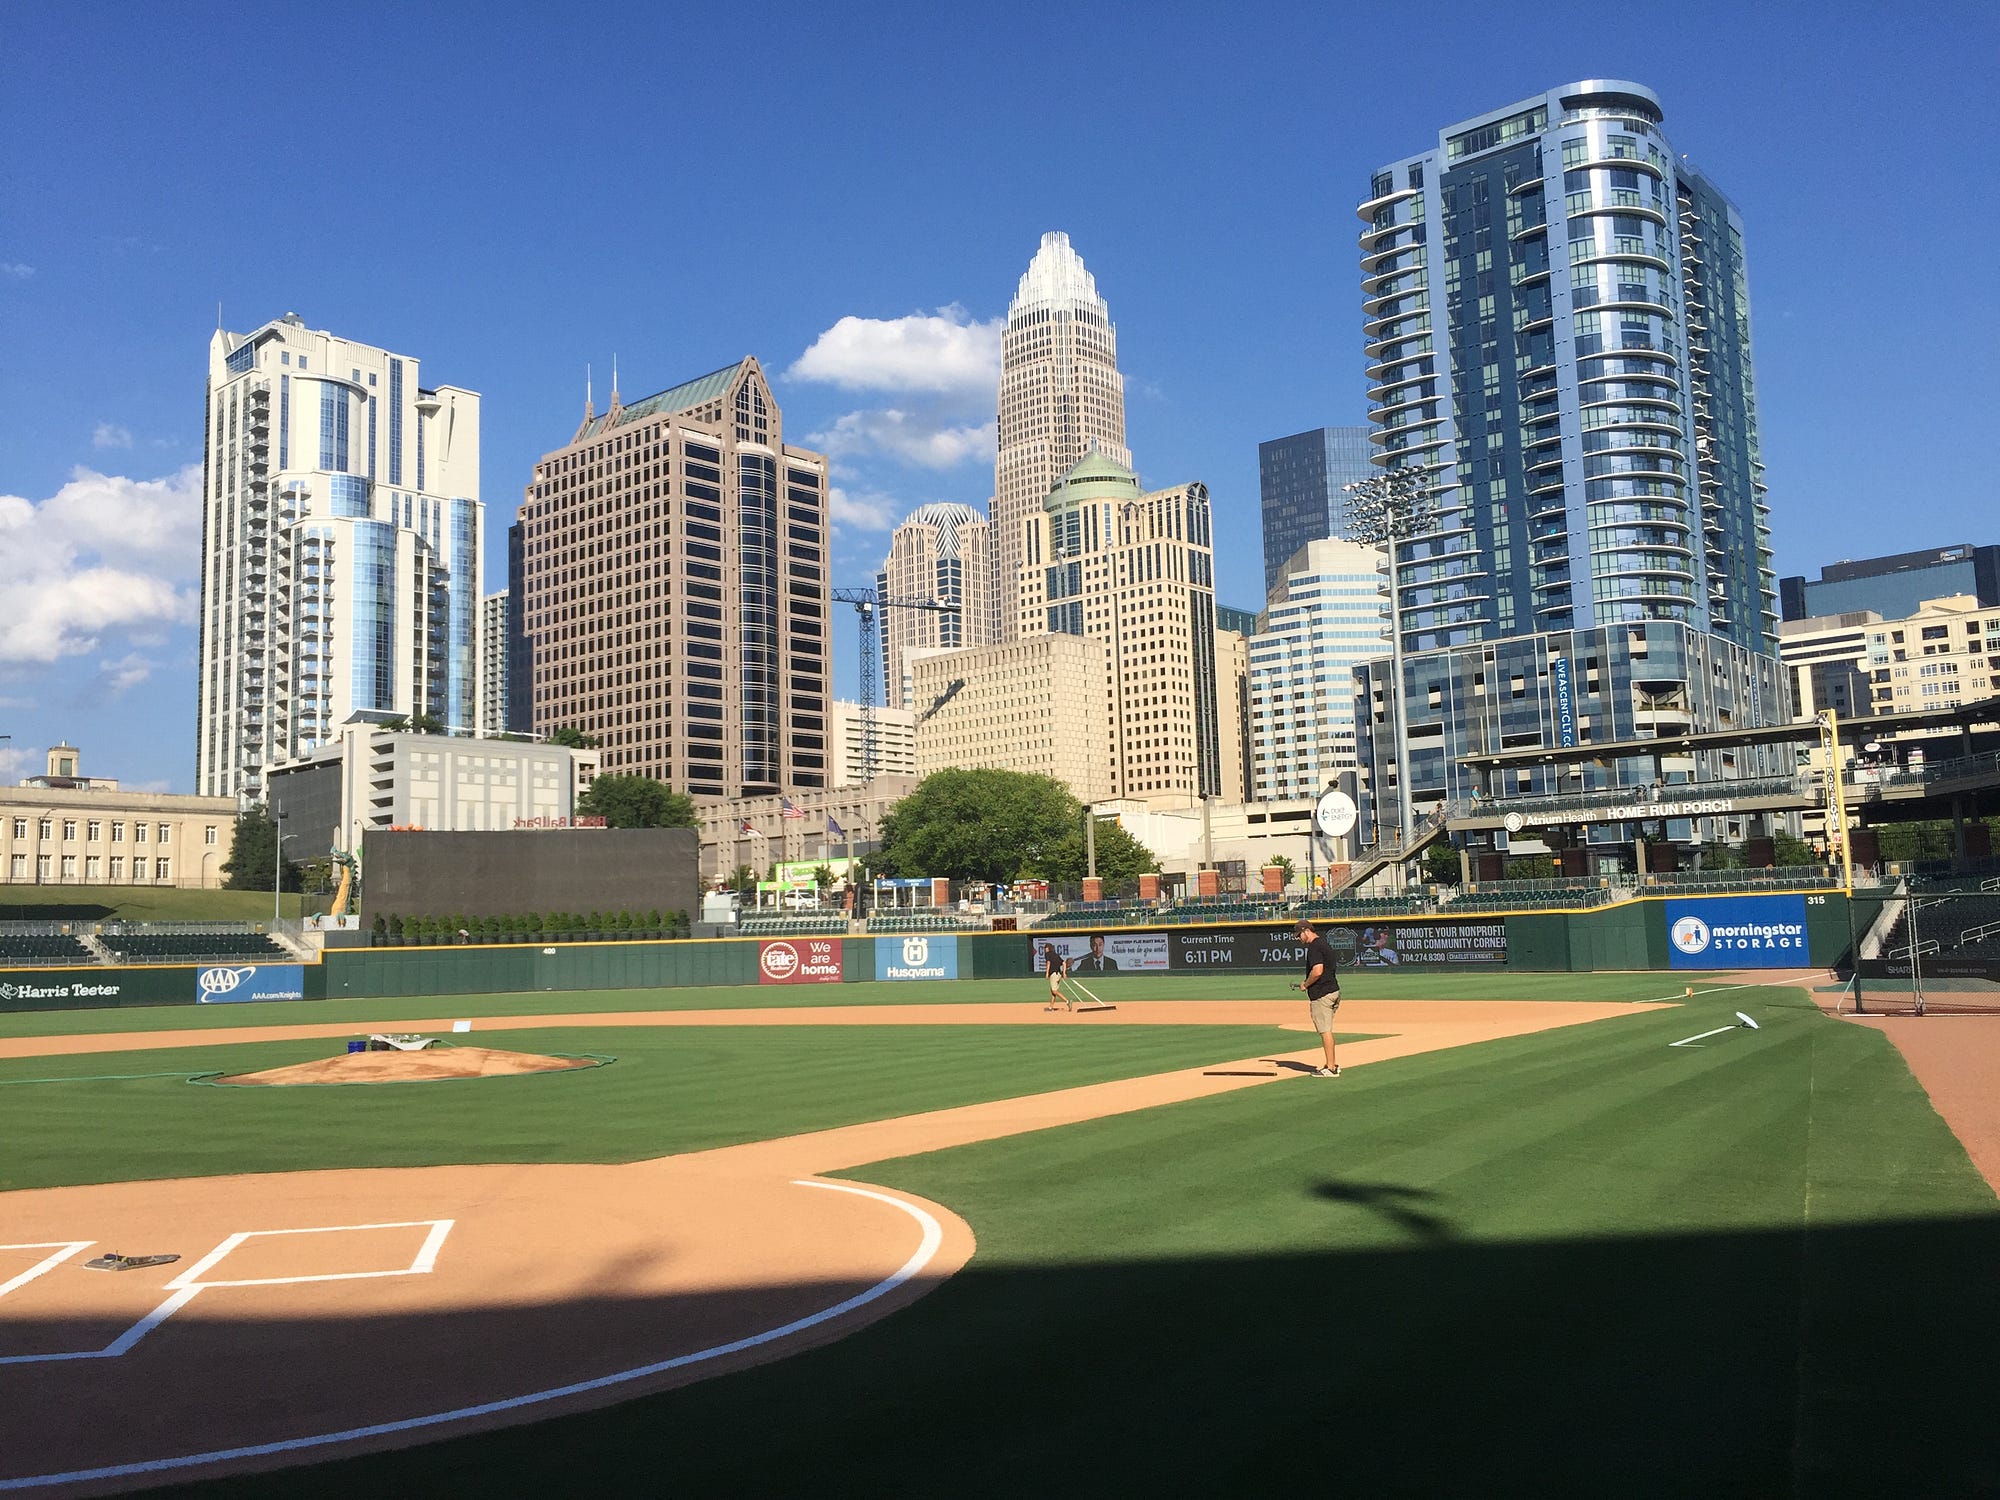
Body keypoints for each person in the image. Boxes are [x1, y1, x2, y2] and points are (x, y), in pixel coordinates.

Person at [1289, 917, 1342, 1077]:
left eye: (1299, 935)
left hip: (1322, 994)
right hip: (1333, 990)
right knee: (1327, 1030)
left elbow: (1318, 970)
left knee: (1325, 1031)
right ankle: (1331, 1064)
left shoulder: (1314, 947)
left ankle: (1331, 1068)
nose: (1298, 939)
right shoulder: (1324, 943)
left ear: (1307, 931)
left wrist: (1305, 984)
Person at [1043, 943, 1072, 1012]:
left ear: (1048, 948)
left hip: (1053, 974)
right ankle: (1050, 1007)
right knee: (1053, 992)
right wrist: (1064, 973)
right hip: (1059, 975)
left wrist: (1047, 973)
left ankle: (1067, 1001)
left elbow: (1048, 963)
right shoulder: (1056, 955)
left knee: (1054, 991)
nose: (1045, 949)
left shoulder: (1048, 954)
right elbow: (1064, 963)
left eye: (1045, 948)